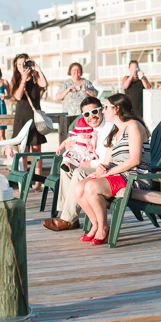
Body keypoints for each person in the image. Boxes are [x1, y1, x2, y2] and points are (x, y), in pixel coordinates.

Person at [73, 93, 151, 246]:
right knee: (79, 188)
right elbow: (108, 162)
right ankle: (95, 224)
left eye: (106, 107)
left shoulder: (133, 125)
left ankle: (103, 227)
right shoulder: (114, 132)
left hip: (134, 177)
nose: (102, 110)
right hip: (118, 175)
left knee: (91, 187)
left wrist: (108, 172)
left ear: (117, 109)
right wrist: (102, 169)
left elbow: (135, 160)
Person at [42, 96, 105, 232]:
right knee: (66, 168)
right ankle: (70, 217)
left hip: (104, 168)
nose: (91, 116)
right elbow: (75, 140)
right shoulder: (89, 128)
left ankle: (68, 219)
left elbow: (107, 159)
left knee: (79, 171)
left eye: (95, 111)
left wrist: (89, 163)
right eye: (87, 114)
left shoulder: (106, 128)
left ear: (102, 110)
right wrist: (73, 143)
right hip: (94, 163)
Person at [10, 53, 49, 184]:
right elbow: (18, 96)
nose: (22, 67)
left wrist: (37, 67)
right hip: (22, 117)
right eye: (19, 64)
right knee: (23, 152)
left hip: (35, 117)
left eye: (24, 63)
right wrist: (22, 80)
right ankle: (24, 183)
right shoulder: (15, 79)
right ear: (16, 66)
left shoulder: (35, 77)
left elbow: (44, 83)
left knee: (37, 152)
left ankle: (38, 183)